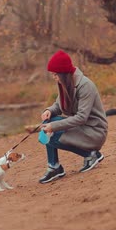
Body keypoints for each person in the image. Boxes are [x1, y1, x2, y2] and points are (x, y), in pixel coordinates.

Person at [37, 50, 108, 184]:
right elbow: (58, 106)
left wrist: (54, 126)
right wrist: (49, 111)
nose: (54, 77)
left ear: (63, 73)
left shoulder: (85, 86)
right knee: (48, 126)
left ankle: (91, 155)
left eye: (55, 74)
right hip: (81, 128)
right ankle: (54, 167)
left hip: (94, 131)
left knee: (51, 133)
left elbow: (81, 117)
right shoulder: (66, 83)